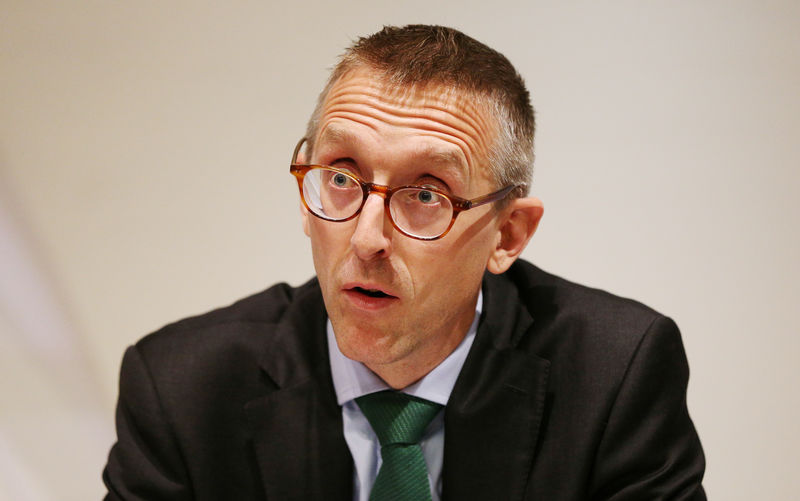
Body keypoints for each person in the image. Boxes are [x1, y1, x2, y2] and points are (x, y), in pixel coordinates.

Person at [103, 25, 705, 500]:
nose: (367, 239)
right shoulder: (181, 390)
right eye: (341, 177)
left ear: (508, 234)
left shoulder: (614, 375)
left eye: (426, 195)